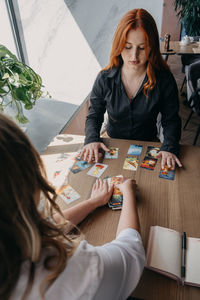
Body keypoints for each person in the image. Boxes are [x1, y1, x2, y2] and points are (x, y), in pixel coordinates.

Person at [0, 113, 145, 300]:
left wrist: (93, 202)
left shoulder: (13, 236)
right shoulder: (70, 271)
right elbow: (131, 251)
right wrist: (128, 193)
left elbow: (50, 223)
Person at [81, 8, 182, 170]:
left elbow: (171, 120)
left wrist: (169, 147)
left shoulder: (164, 79)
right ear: (119, 45)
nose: (134, 56)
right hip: (113, 144)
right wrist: (92, 139)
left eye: (142, 48)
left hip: (148, 145)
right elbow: (94, 115)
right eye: (127, 47)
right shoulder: (104, 78)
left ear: (152, 48)